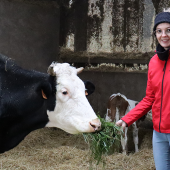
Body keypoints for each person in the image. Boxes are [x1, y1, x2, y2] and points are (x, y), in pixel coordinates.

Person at [116, 10, 170, 170]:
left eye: (168, 30)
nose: (164, 35)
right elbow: (149, 99)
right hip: (159, 134)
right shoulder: (153, 62)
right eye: (159, 31)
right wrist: (126, 119)